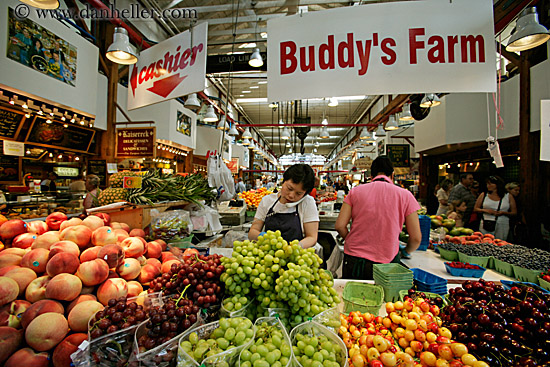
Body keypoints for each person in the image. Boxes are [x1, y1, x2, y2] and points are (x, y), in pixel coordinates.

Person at [334, 156, 422, 280]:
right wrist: (406, 251)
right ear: (392, 175)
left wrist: (352, 240)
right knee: (385, 299)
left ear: (371, 175)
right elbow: (416, 238)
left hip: (355, 260)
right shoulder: (405, 195)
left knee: (352, 297)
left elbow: (339, 226)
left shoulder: (355, 192)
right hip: (387, 263)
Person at [248, 164, 319, 249]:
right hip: (268, 256)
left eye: (299, 193)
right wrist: (263, 237)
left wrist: (295, 247)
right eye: (289, 188)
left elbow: (312, 237)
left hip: (295, 256)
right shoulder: (267, 201)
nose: (291, 195)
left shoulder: (307, 202)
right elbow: (252, 232)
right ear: (283, 182)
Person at [473, 175, 517, 240]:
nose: (488, 186)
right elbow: (475, 208)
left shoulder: (508, 196)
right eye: (487, 184)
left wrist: (503, 213)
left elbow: (514, 212)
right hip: (486, 222)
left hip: (502, 224)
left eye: (491, 184)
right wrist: (486, 211)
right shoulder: (484, 195)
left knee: (500, 242)